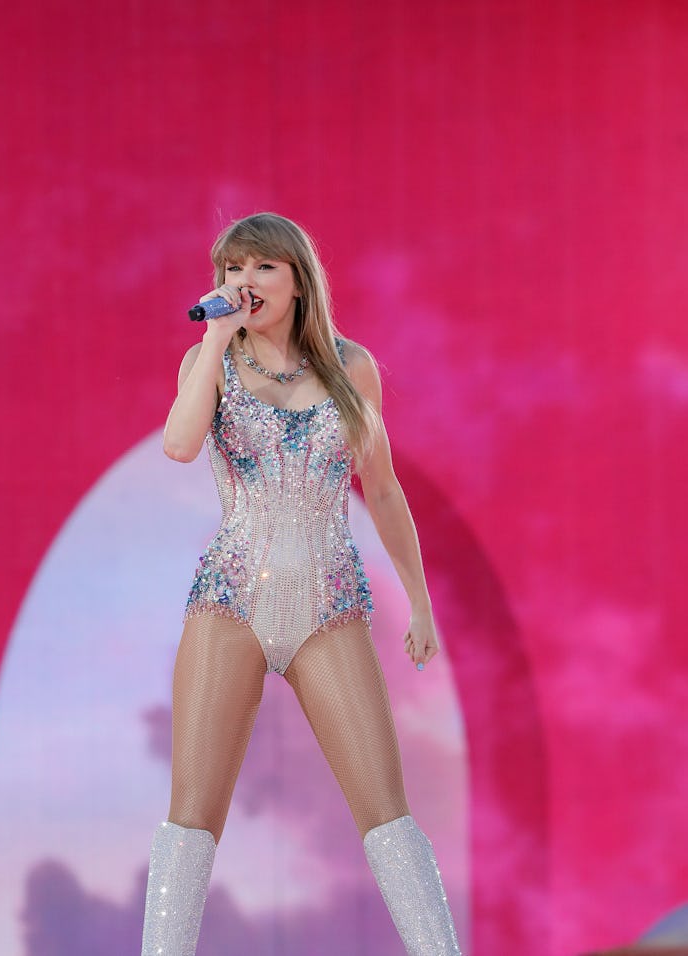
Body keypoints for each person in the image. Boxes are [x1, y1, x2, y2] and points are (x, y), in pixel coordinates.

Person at [141, 212, 461, 956]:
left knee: (387, 809)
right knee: (191, 813)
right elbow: (180, 445)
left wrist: (419, 599)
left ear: (296, 279)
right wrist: (214, 341)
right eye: (231, 270)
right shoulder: (208, 360)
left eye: (260, 268)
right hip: (231, 600)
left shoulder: (354, 368)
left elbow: (381, 490)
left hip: (330, 603)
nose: (242, 283)